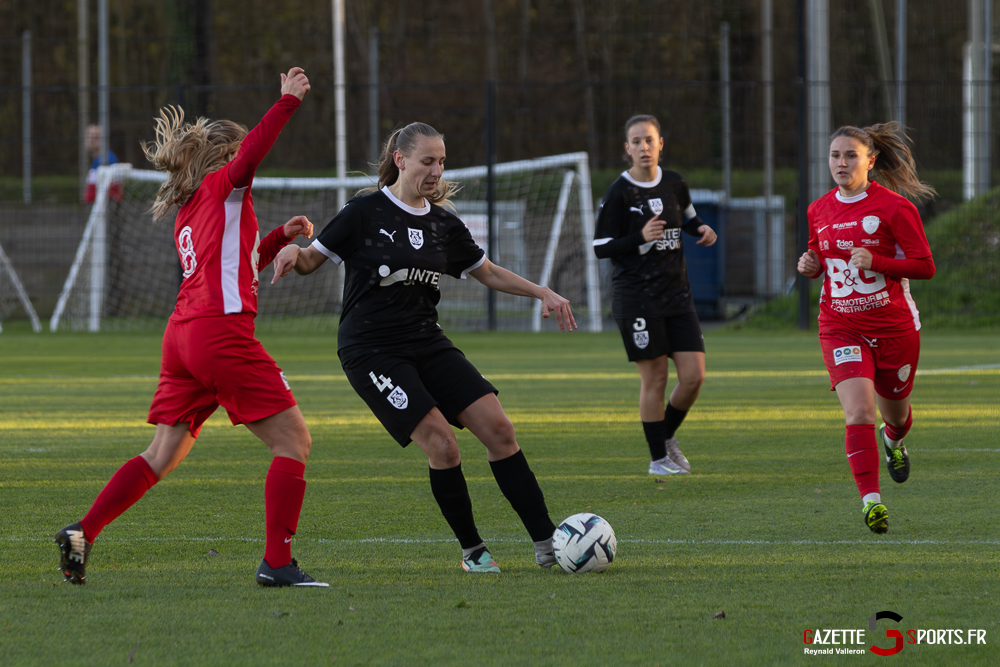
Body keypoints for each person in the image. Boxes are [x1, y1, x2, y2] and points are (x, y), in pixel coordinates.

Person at [55, 67, 328, 588]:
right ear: (226, 156)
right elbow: (252, 155)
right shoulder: (226, 183)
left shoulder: (191, 209)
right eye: (240, 149)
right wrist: (287, 102)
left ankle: (83, 530)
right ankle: (277, 563)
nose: (247, 158)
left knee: (164, 452)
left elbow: (232, 261)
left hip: (182, 336)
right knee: (294, 442)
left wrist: (276, 238)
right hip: (218, 333)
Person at [271, 122, 576, 573]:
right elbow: (310, 260)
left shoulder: (442, 223)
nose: (436, 171)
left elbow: (487, 271)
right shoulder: (363, 212)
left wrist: (542, 291)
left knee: (499, 429)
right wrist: (289, 252)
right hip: (371, 349)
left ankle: (548, 543)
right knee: (443, 444)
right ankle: (474, 552)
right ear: (401, 159)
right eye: (428, 161)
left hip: (426, 340)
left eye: (442, 162)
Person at [797, 122, 935, 534]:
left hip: (894, 328)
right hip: (841, 326)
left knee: (897, 414)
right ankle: (872, 502)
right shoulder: (818, 209)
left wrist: (879, 263)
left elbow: (925, 266)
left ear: (870, 162)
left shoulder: (895, 208)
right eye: (835, 156)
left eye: (850, 155)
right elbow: (820, 257)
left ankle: (893, 439)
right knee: (859, 409)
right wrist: (811, 266)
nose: (841, 163)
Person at [592, 114, 717, 476]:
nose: (643, 147)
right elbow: (601, 246)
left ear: (661, 143)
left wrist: (702, 229)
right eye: (636, 141)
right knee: (657, 378)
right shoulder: (620, 192)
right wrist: (640, 238)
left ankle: (665, 437)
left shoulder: (676, 183)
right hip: (637, 299)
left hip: (678, 296)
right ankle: (658, 460)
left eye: (649, 140)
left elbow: (689, 217)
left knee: (694, 376)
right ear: (626, 149)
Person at [83, 123, 123, 203]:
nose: (91, 139)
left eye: (96, 136)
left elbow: (114, 195)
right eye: (89, 136)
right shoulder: (96, 160)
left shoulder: (108, 160)